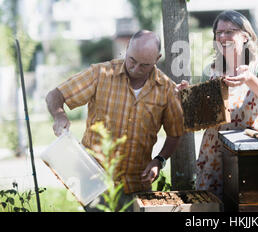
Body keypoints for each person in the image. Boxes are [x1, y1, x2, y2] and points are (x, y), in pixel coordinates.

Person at [45, 30, 185, 211]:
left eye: (144, 65)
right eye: (132, 60)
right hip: (95, 185)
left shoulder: (166, 90)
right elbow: (55, 95)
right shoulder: (101, 73)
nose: (135, 69)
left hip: (136, 188)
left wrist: (159, 160)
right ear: (127, 48)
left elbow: (175, 134)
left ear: (157, 59)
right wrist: (59, 115)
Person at [178, 10, 258, 199]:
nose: (223, 37)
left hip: (248, 150)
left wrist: (249, 78)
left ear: (245, 36)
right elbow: (201, 118)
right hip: (214, 151)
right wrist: (187, 95)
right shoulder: (212, 70)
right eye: (218, 33)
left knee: (246, 204)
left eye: (229, 31)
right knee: (212, 206)